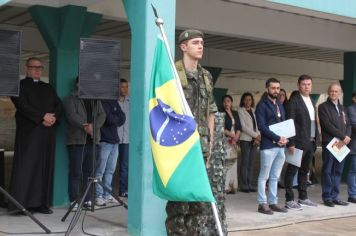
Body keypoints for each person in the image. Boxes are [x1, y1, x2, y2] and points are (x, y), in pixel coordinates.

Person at [165, 29, 218, 235]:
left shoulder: (206, 76)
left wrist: (210, 142)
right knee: (179, 204)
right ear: (183, 47)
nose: (200, 46)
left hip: (201, 147)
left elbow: (211, 111)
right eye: (195, 42)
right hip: (179, 147)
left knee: (198, 202)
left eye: (202, 43)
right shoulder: (171, 73)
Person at [9, 57, 62, 214]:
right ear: (26, 68)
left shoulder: (48, 87)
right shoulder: (19, 86)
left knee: (45, 167)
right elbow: (22, 106)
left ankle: (41, 204)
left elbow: (59, 105)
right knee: (26, 167)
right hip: (29, 134)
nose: (37, 70)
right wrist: (42, 117)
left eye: (40, 67)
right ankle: (21, 205)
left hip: (47, 133)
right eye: (33, 67)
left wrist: (53, 117)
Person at [64, 78, 106, 208]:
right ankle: (74, 199)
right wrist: (85, 126)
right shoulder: (70, 98)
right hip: (77, 141)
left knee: (90, 172)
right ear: (77, 83)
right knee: (76, 171)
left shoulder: (95, 99)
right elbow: (72, 116)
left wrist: (93, 127)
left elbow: (102, 115)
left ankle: (88, 199)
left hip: (93, 140)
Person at [284, 75, 319, 210]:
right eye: (304, 84)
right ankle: (289, 199)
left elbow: (313, 122)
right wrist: (290, 142)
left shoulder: (311, 100)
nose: (306, 87)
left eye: (309, 84)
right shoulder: (294, 101)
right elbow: (289, 122)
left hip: (310, 142)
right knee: (292, 170)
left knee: (305, 171)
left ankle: (303, 198)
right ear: (298, 85)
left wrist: (316, 140)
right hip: (298, 142)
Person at [255, 78, 288, 215]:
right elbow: (262, 127)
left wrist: (284, 138)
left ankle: (273, 202)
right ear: (267, 88)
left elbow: (283, 122)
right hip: (268, 145)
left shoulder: (280, 104)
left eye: (278, 88)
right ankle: (262, 203)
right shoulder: (262, 105)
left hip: (281, 146)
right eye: (273, 88)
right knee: (264, 176)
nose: (276, 91)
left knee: (275, 176)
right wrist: (277, 138)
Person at [318, 83, 351, 207]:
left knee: (338, 170)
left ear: (340, 93)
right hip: (330, 143)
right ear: (328, 92)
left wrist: (347, 137)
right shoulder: (323, 107)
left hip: (342, 144)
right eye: (331, 91)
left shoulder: (343, 109)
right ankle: (327, 197)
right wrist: (343, 136)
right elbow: (327, 125)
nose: (333, 93)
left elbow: (348, 125)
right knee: (328, 170)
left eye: (336, 91)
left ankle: (335, 196)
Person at [95, 99, 125, 206]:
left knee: (110, 170)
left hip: (114, 141)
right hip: (104, 140)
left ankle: (107, 195)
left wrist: (114, 117)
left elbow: (122, 117)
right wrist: (115, 116)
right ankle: (98, 196)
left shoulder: (113, 101)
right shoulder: (100, 102)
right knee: (100, 170)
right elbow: (108, 119)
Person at [238, 92, 260, 193]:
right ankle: (243, 185)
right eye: (246, 99)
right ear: (243, 100)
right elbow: (243, 127)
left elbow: (257, 125)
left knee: (251, 163)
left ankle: (250, 183)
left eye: (250, 100)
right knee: (245, 162)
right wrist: (256, 135)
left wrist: (258, 136)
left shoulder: (254, 111)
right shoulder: (240, 111)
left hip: (254, 140)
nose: (248, 101)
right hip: (245, 139)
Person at [221, 95, 241, 194]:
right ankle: (226, 186)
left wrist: (236, 136)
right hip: (226, 140)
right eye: (224, 101)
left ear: (231, 102)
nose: (226, 103)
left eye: (228, 101)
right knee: (226, 164)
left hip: (234, 141)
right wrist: (232, 136)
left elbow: (239, 127)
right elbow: (222, 128)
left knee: (234, 163)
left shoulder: (235, 113)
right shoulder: (221, 114)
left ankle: (233, 186)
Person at [117, 78, 130, 198]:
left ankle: (123, 190)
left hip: (126, 139)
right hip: (114, 138)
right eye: (122, 87)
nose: (125, 89)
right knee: (108, 167)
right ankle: (107, 192)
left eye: (126, 87)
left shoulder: (131, 102)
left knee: (124, 165)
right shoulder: (113, 102)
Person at [347, 91, 356, 204]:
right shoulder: (351, 109)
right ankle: (352, 195)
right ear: (354, 98)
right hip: (355, 144)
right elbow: (354, 125)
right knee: (354, 171)